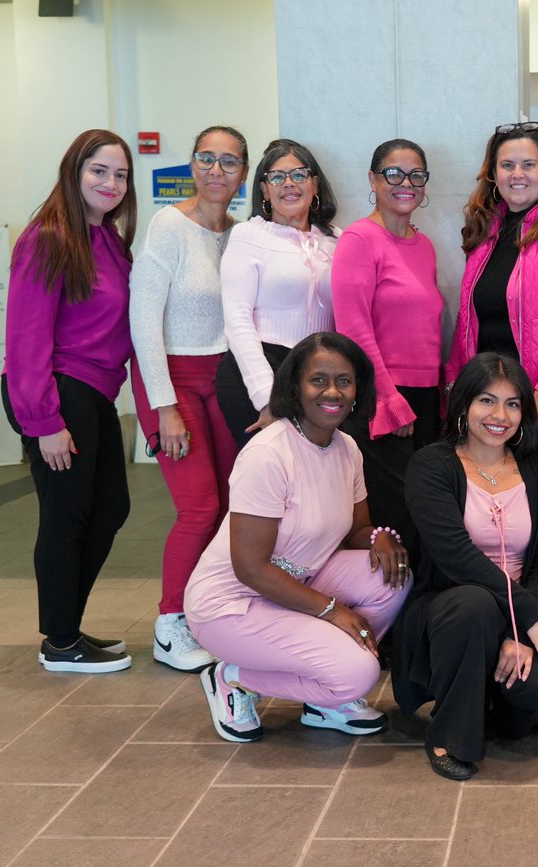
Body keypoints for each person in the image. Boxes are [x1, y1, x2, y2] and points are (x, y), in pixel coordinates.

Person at [184, 332, 410, 743]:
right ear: (294, 387)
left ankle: (325, 699)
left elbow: (357, 530)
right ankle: (232, 677)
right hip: (231, 602)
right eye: (318, 380)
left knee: (390, 574)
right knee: (359, 672)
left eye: (344, 381)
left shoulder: (346, 448)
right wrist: (332, 612)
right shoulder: (268, 453)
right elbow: (250, 568)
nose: (333, 392)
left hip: (298, 583)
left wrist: (379, 537)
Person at [393, 353, 538, 781]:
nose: (500, 415)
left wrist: (521, 628)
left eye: (513, 404)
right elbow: (455, 555)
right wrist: (527, 617)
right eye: (486, 401)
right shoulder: (432, 465)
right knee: (474, 604)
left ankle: (490, 704)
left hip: (525, 606)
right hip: (453, 605)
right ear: (462, 404)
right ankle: (451, 734)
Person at [1, 129, 137, 673]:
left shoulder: (109, 241)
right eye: (98, 170)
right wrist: (44, 421)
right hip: (57, 391)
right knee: (66, 516)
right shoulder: (48, 237)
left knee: (109, 509)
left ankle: (67, 626)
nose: (110, 182)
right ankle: (59, 641)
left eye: (120, 174)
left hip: (95, 393)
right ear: (74, 172)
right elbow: (26, 336)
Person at [129, 125, 248, 672]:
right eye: (206, 158)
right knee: (198, 507)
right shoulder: (167, 226)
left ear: (244, 173)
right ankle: (169, 624)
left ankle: (208, 612)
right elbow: (143, 321)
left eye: (229, 161)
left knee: (229, 505)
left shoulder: (239, 234)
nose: (216, 170)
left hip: (222, 379)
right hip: (172, 378)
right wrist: (164, 407)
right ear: (192, 165)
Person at [446, 121, 538, 471]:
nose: (518, 174)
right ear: (493, 174)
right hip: (492, 402)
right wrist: (455, 382)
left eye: (528, 164)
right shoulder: (484, 234)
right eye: (507, 165)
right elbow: (468, 319)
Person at [332, 138, 443, 555]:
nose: (405, 183)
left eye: (416, 174)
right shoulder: (359, 240)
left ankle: (421, 616)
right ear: (373, 179)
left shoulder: (425, 245)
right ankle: (385, 615)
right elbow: (353, 329)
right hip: (382, 396)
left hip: (424, 398)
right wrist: (387, 399)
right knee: (395, 519)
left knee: (426, 514)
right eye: (393, 173)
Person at [216, 138, 339, 448]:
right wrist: (267, 396)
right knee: (274, 482)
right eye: (277, 177)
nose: (289, 184)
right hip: (263, 369)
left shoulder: (338, 239)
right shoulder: (249, 235)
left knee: (317, 478)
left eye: (299, 175)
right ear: (264, 189)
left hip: (318, 369)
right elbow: (237, 320)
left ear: (314, 184)